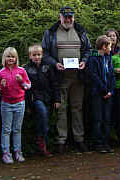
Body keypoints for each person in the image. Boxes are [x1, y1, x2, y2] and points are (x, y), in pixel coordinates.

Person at [41, 6, 91, 153]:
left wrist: (84, 61)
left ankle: (79, 139)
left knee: (77, 108)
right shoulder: (51, 32)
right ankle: (61, 140)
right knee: (61, 109)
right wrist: (54, 63)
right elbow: (44, 53)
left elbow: (88, 50)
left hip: (77, 76)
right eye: (65, 17)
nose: (68, 19)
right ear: (60, 17)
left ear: (74, 17)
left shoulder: (81, 31)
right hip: (60, 76)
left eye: (70, 17)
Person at [0, 47, 31, 164]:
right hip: (6, 104)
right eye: (8, 56)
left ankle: (18, 152)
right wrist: (2, 86)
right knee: (6, 130)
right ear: (4, 58)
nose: (10, 59)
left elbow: (28, 86)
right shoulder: (0, 73)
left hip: (20, 103)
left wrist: (21, 81)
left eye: (13, 56)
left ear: (16, 58)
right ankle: (6, 153)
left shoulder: (21, 71)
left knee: (17, 129)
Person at [24, 44, 61, 157]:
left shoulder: (47, 67)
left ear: (42, 55)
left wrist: (57, 99)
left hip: (48, 97)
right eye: (34, 55)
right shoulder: (27, 69)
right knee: (43, 114)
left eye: (39, 54)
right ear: (30, 56)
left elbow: (54, 83)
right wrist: (28, 106)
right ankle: (40, 142)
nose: (37, 57)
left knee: (44, 120)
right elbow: (25, 88)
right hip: (35, 98)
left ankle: (41, 144)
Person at [88, 35, 116, 153]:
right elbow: (94, 77)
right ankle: (98, 143)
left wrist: (111, 90)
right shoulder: (93, 59)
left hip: (108, 93)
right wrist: (105, 90)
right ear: (104, 47)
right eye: (109, 46)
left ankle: (106, 142)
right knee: (98, 119)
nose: (111, 48)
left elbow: (111, 74)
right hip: (98, 93)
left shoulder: (108, 58)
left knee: (106, 119)